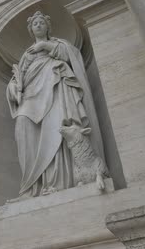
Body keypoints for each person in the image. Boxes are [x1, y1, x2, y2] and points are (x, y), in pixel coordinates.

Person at [6, 11, 105, 200]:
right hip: (30, 97)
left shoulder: (59, 44)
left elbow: (72, 56)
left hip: (55, 89)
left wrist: (47, 46)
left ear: (48, 26)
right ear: (30, 29)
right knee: (23, 128)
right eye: (34, 23)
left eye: (41, 22)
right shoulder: (27, 54)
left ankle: (61, 182)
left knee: (56, 130)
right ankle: (30, 186)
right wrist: (14, 89)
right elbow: (18, 79)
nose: (38, 24)